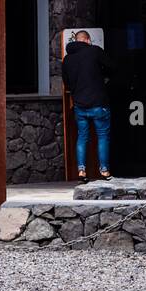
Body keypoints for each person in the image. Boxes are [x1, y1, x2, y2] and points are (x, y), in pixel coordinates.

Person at [61, 30, 113, 180]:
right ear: (88, 40)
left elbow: (67, 84)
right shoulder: (95, 51)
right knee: (102, 136)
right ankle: (104, 170)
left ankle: (81, 170)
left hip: (80, 105)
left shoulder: (67, 59)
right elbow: (112, 66)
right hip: (99, 103)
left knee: (82, 137)